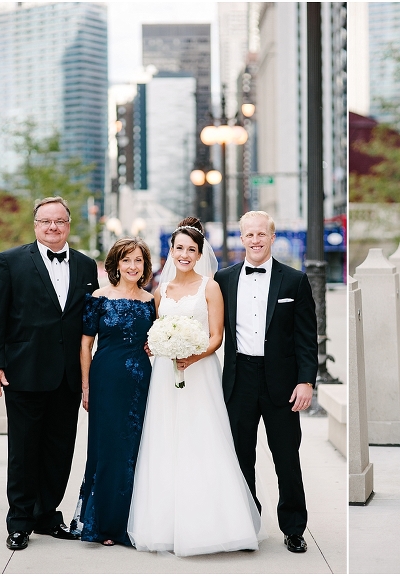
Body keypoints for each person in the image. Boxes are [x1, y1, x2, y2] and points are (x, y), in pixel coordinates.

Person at [127, 217, 262, 557]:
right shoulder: (161, 291)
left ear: (200, 253)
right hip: (164, 377)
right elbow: (155, 332)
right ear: (170, 252)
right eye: (179, 248)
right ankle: (164, 525)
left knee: (202, 440)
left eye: (191, 249)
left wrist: (192, 355)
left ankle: (216, 525)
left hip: (199, 373)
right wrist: (154, 345)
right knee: (165, 440)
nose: (184, 254)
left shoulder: (210, 287)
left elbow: (217, 336)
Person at [0, 197, 99, 550]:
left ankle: (47, 514)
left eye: (59, 221)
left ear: (68, 224)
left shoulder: (84, 265)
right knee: (23, 450)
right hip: (23, 373)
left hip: (66, 376)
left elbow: (87, 322)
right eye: (45, 221)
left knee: (59, 449)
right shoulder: (10, 261)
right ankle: (19, 521)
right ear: (35, 225)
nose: (52, 227)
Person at [214, 211, 318, 553]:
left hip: (282, 383)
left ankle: (293, 527)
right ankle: (248, 523)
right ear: (240, 239)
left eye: (262, 234)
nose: (255, 240)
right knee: (241, 456)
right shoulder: (223, 279)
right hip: (239, 378)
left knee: (286, 457)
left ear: (272, 238)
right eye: (249, 235)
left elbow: (306, 338)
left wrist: (306, 381)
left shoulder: (294, 280)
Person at [70, 237, 156, 546]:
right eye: (126, 260)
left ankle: (130, 522)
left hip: (141, 382)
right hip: (105, 377)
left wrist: (155, 343)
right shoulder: (98, 297)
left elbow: (156, 337)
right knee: (106, 449)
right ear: (115, 265)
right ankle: (104, 524)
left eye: (138, 261)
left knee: (135, 449)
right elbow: (85, 344)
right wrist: (86, 385)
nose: (133, 266)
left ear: (145, 266)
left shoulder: (151, 301)